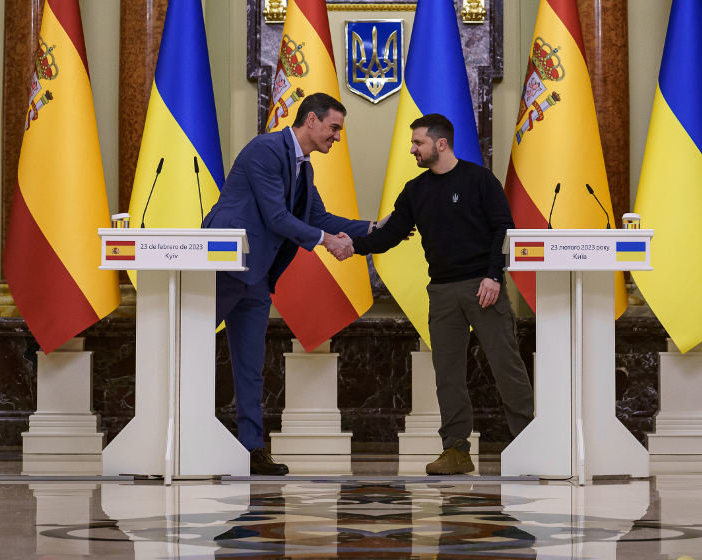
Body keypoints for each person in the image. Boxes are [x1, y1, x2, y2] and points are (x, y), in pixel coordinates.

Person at [345, 113, 534, 475]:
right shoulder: (415, 190)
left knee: (506, 366)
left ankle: (528, 442)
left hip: (484, 287)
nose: (412, 149)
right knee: (447, 373)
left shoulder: (479, 180)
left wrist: (494, 275)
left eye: (418, 143)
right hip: (443, 293)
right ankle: (456, 451)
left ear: (440, 143)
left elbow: (503, 228)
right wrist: (350, 245)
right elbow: (390, 235)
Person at [203, 93, 374, 475]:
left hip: (258, 276)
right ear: (311, 120)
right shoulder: (265, 150)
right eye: (334, 128)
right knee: (190, 354)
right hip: (224, 268)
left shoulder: (304, 168)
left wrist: (376, 230)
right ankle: (190, 438)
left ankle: (251, 450)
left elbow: (320, 216)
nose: (337, 137)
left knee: (250, 367)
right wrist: (326, 242)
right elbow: (278, 217)